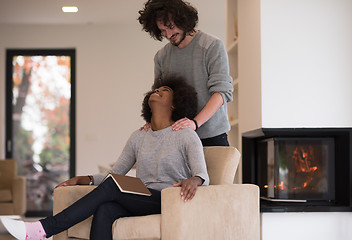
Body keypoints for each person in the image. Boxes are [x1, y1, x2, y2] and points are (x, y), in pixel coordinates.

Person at [0, 75, 209, 240]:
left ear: (175, 105)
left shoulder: (185, 135)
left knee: (112, 186)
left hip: (167, 199)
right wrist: (86, 179)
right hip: (140, 197)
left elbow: (202, 174)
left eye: (165, 90)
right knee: (105, 209)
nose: (157, 90)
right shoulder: (138, 136)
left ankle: (45, 228)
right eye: (156, 88)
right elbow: (115, 174)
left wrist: (194, 179)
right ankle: (44, 229)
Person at [138, 0, 233, 146]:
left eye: (171, 27)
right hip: (176, 138)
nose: (168, 35)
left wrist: (195, 123)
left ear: (183, 19)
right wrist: (151, 122)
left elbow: (222, 92)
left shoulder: (211, 45)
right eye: (163, 31)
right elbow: (158, 96)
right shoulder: (161, 56)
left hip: (211, 136)